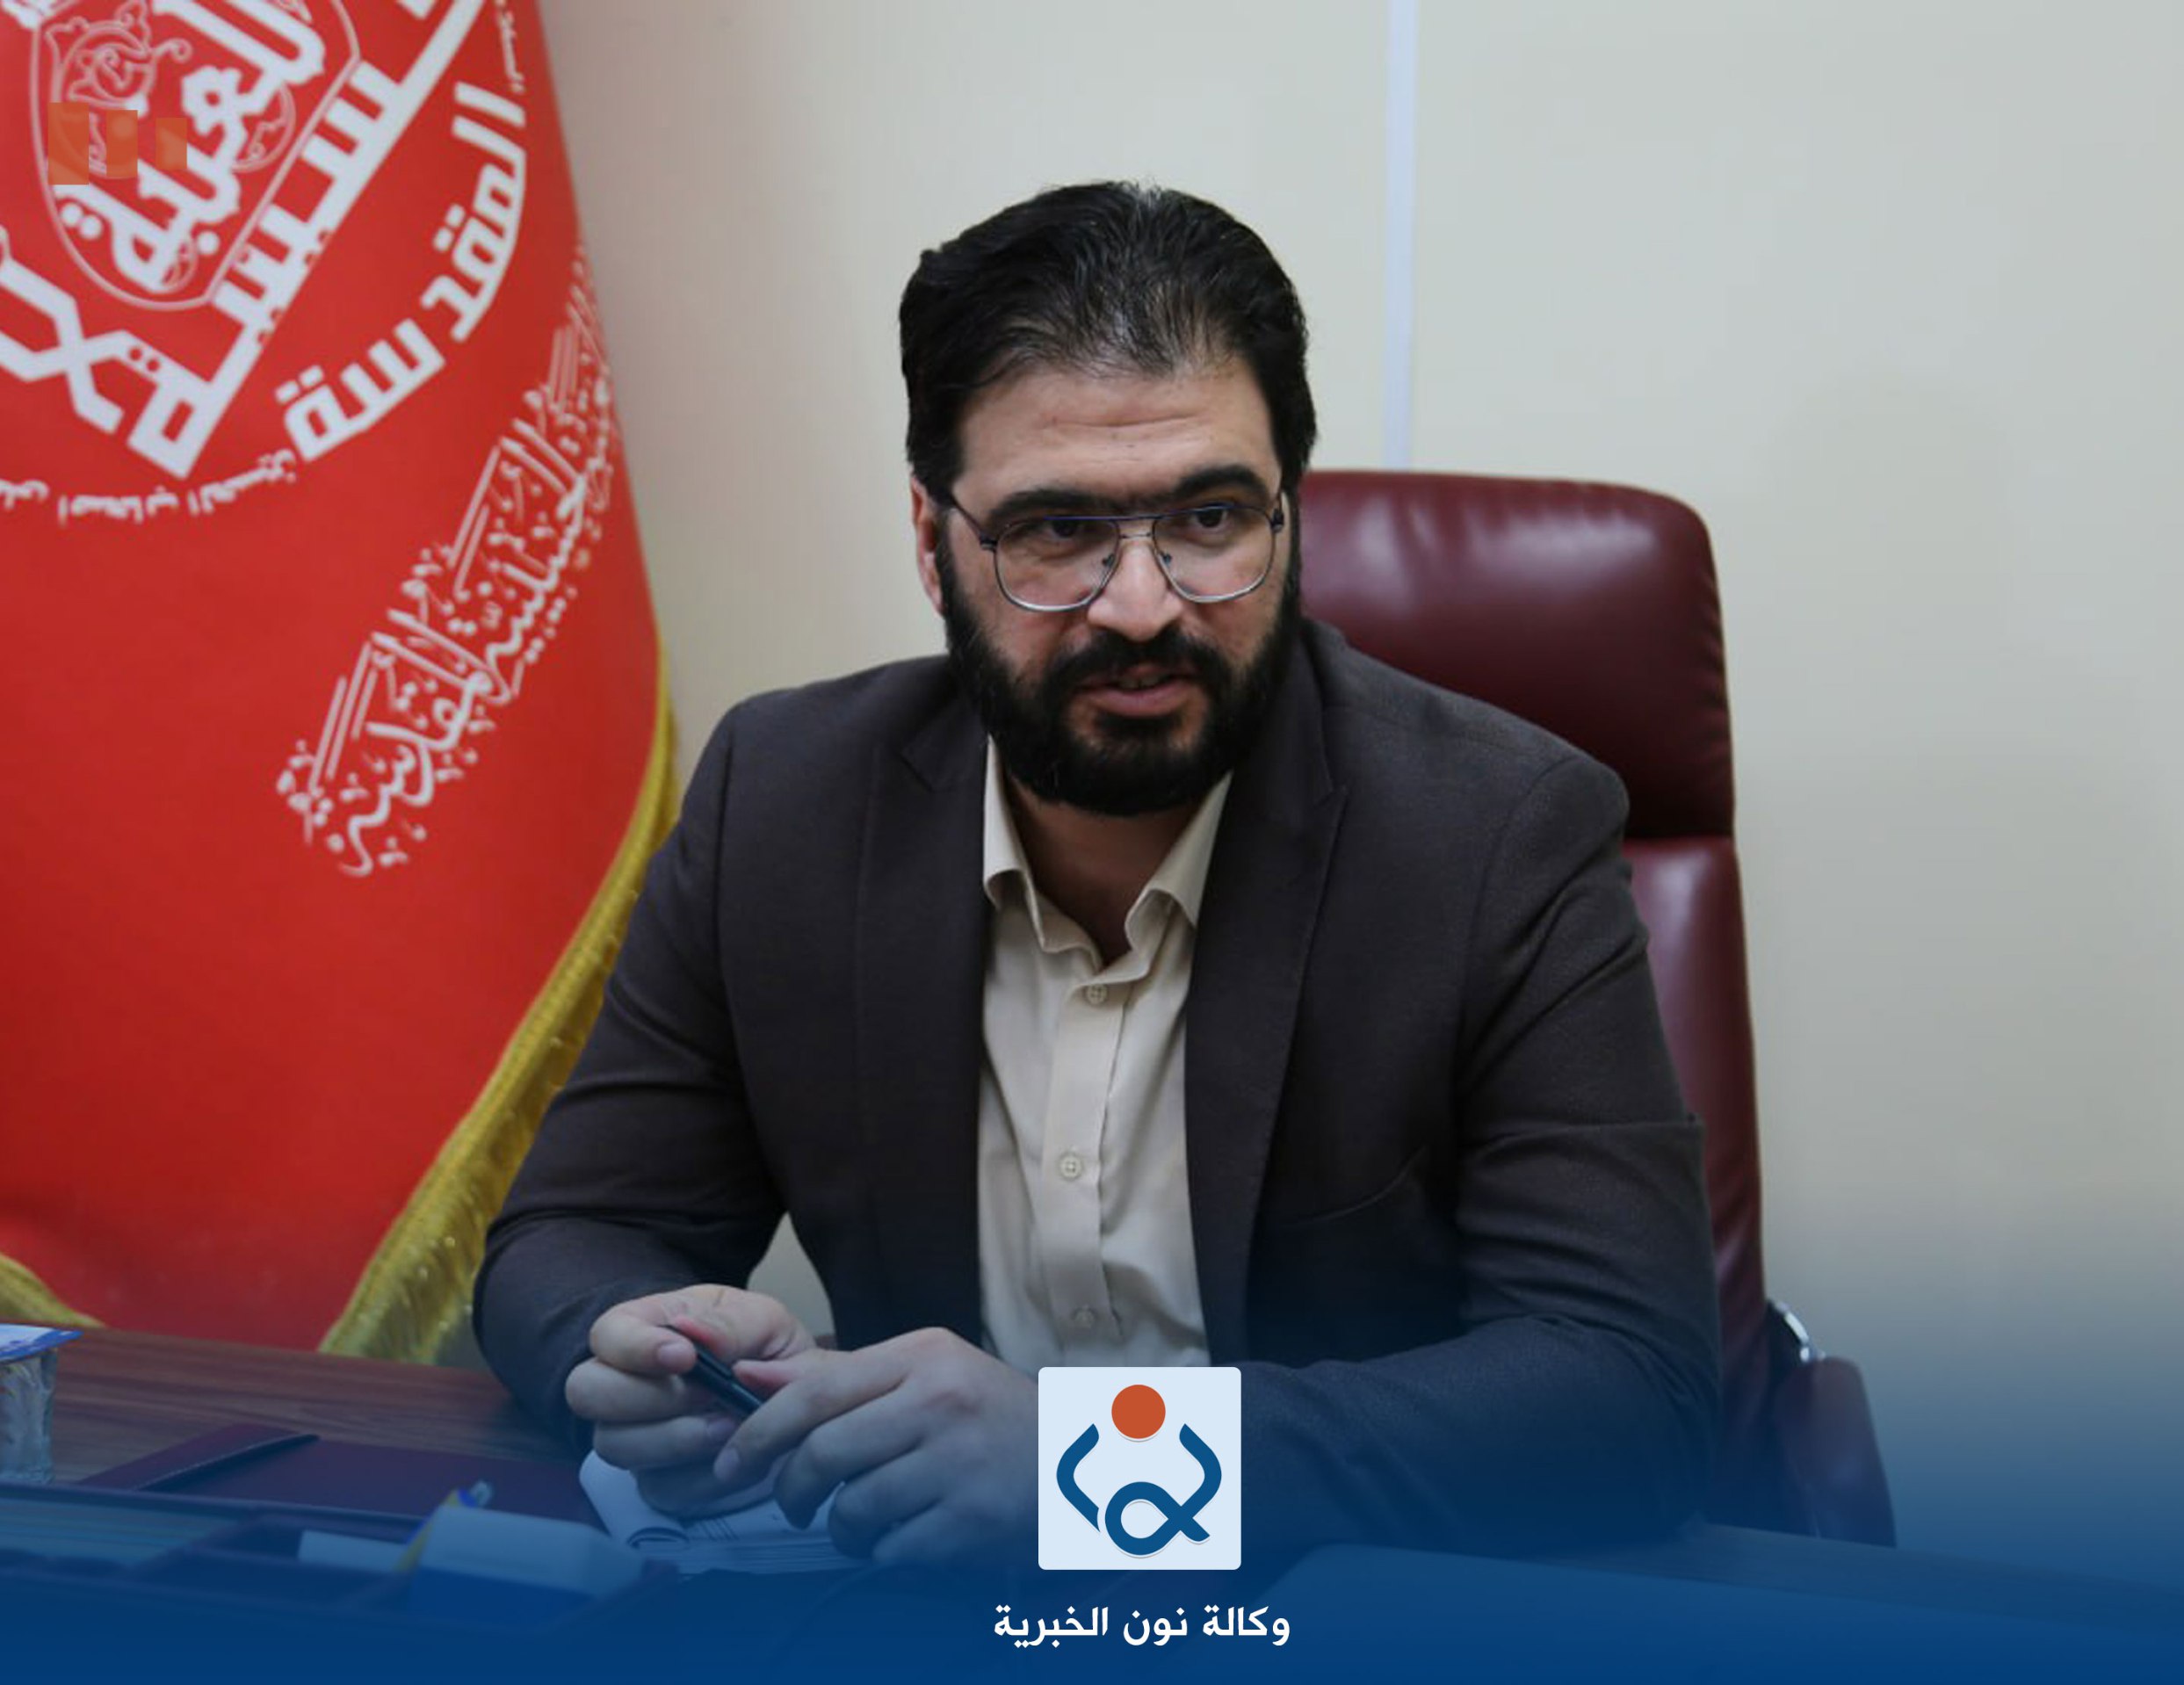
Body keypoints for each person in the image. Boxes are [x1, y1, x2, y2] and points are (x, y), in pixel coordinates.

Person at [474, 182, 1722, 1567]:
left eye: (1211, 517)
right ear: (930, 538)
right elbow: (576, 1233)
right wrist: (644, 1344)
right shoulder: (784, 800)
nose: (1142, 605)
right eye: (1057, 531)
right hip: (930, 1613)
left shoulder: (1496, 834)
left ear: (1288, 516)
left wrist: (1097, 1471)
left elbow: (1631, 1391)